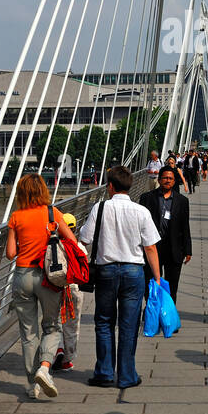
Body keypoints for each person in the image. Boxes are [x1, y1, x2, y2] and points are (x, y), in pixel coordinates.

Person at [79, 165, 161, 389]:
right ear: (130, 185)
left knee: (104, 322)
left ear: (111, 186)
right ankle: (127, 375)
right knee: (128, 325)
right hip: (134, 272)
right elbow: (151, 248)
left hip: (106, 271)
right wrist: (158, 278)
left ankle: (105, 372)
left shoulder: (100, 208)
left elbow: (85, 239)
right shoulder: (141, 211)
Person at [6, 175, 76, 399]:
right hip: (49, 277)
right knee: (52, 326)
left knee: (28, 334)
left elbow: (10, 254)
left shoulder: (16, 217)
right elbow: (72, 242)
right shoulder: (52, 213)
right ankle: (45, 368)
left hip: (23, 276)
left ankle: (32, 385)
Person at [139, 165, 192, 302]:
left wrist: (188, 250)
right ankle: (151, 311)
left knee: (172, 285)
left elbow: (185, 226)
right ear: (160, 180)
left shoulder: (182, 201)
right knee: (150, 283)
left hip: (174, 248)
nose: (168, 180)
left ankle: (168, 313)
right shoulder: (146, 198)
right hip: (152, 248)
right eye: (165, 178)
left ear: (174, 181)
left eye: (170, 178)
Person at [52, 210, 83, 372]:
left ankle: (57, 349)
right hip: (73, 289)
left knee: (55, 322)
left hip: (55, 287)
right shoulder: (78, 247)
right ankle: (67, 360)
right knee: (72, 324)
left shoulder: (52, 246)